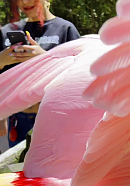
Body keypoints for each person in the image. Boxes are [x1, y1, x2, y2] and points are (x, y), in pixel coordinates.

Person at [0, 0, 80, 148]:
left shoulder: (65, 29)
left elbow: (79, 75)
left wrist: (43, 57)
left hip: (54, 118)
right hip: (17, 121)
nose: (25, 2)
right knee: (16, 169)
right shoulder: (8, 31)